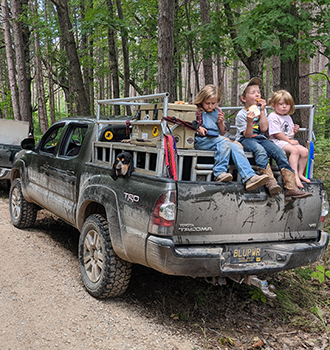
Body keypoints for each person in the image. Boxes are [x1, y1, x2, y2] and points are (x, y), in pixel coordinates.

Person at [235, 77, 312, 200]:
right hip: (246, 139)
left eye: (258, 92)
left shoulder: (263, 110)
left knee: (279, 152)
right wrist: (250, 122)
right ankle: (270, 182)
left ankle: (290, 187)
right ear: (244, 99)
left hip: (260, 137)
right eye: (253, 93)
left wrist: (262, 111)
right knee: (260, 150)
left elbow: (264, 129)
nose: (257, 95)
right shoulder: (241, 114)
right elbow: (247, 135)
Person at [194, 84, 269, 191]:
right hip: (202, 141)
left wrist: (220, 123)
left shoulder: (218, 111)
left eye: (213, 103)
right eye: (207, 103)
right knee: (225, 141)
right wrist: (198, 128)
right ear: (201, 101)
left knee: (235, 146)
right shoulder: (197, 111)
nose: (210, 106)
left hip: (218, 140)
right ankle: (219, 172)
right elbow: (189, 124)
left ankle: (249, 177)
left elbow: (223, 132)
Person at [267, 90, 310, 188]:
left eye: (287, 104)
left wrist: (294, 131)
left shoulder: (288, 117)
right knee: (294, 151)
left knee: (304, 151)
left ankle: (300, 174)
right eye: (281, 104)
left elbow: (288, 132)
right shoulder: (273, 116)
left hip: (286, 141)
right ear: (273, 105)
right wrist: (289, 141)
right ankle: (293, 175)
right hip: (276, 141)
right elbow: (277, 133)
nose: (284, 106)